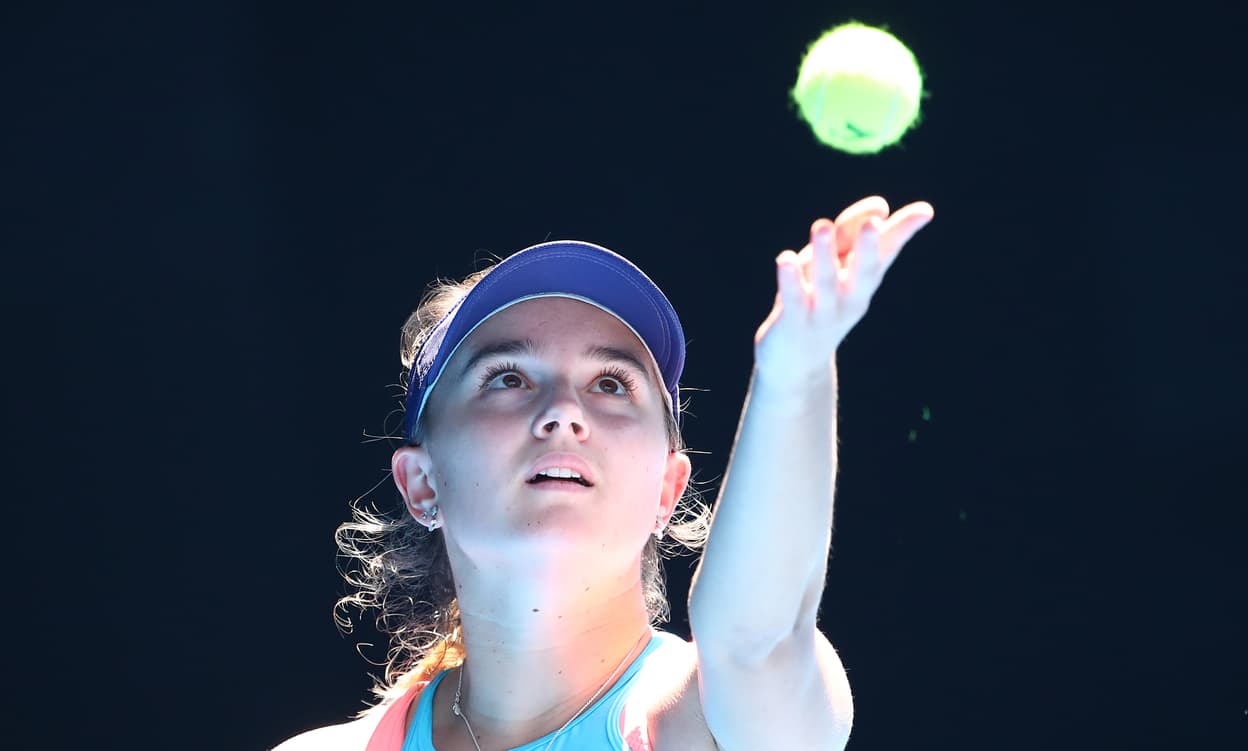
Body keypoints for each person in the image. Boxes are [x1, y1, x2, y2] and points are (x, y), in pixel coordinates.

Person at [272, 195, 935, 751]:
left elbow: (754, 640)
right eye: (507, 377)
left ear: (667, 490)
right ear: (422, 482)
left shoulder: (702, 723)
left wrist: (795, 373)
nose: (563, 411)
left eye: (612, 384)